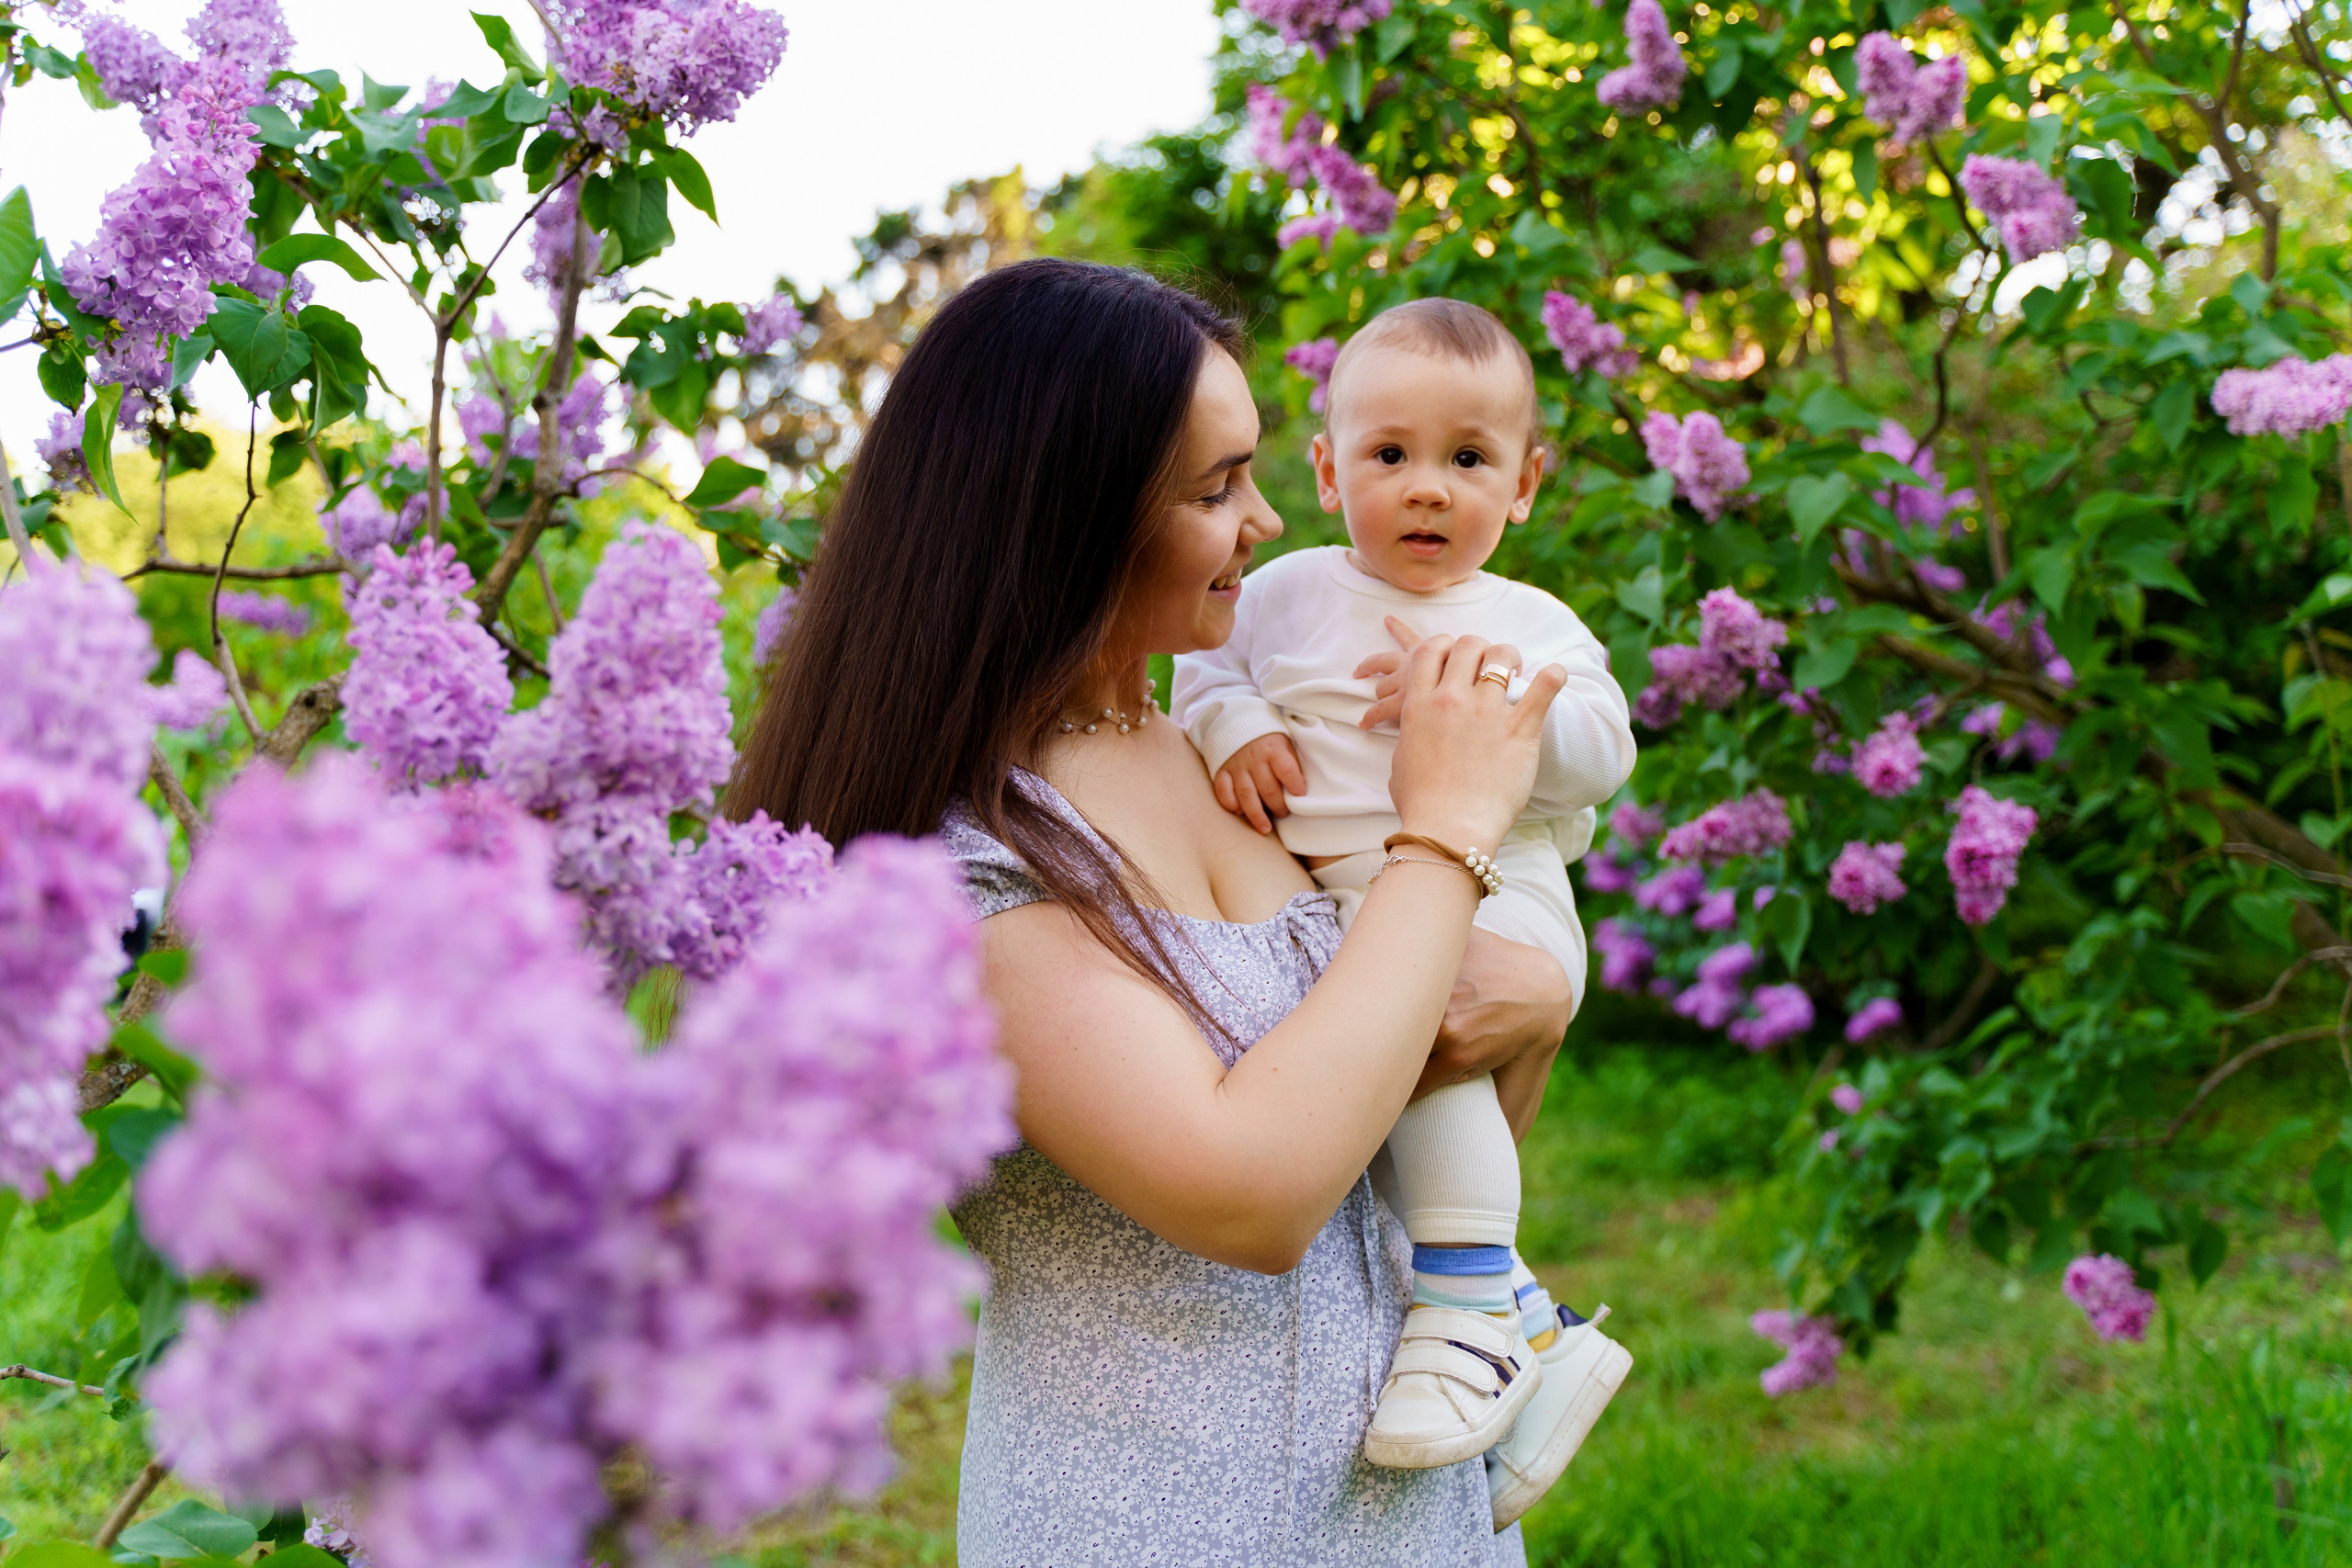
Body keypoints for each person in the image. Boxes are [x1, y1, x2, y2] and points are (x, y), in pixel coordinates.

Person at [731, 258, 1577, 1565]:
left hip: (1419, 1520)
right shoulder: (951, 866)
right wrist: (1447, 834)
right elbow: (1254, 1195)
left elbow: (1391, 1171)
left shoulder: (1224, 755)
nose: (1268, 520)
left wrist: (1528, 1012)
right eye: (1216, 487)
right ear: (1068, 518)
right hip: (1160, 1519)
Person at [1170, 299, 1634, 1515]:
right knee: (1363, 1085)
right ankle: (1531, 1324)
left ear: (1525, 483)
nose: (1429, 489)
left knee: (1425, 1055)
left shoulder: (1527, 626)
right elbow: (1201, 675)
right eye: (1391, 456)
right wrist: (1240, 726)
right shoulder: (1279, 596)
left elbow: (1606, 755)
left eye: (1468, 460)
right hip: (1360, 906)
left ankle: (1471, 1296)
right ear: (1327, 472)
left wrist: (1497, 710)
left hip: (1499, 896)